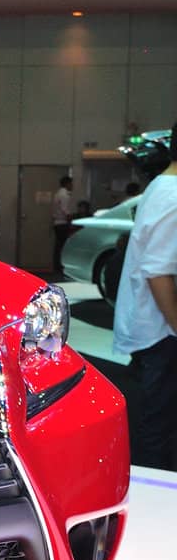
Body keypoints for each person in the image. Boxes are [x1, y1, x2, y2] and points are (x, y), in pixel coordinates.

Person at [112, 127, 177, 470]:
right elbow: (158, 271)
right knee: (157, 429)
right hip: (162, 332)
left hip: (153, 328)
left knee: (156, 425)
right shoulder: (173, 194)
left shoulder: (161, 187)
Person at [52, 175, 74, 276]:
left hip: (57, 222)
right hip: (62, 223)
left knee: (58, 246)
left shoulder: (57, 194)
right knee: (63, 246)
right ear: (67, 184)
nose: (72, 185)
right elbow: (65, 211)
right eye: (71, 183)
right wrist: (71, 222)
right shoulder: (64, 195)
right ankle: (60, 267)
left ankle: (56, 266)